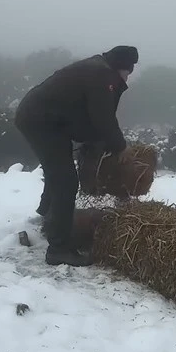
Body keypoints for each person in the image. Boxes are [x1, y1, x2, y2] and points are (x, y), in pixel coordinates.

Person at [15, 46, 138, 267]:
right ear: (122, 67)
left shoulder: (97, 68)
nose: (128, 76)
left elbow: (87, 114)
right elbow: (103, 117)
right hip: (41, 123)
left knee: (59, 171)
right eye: (129, 71)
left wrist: (97, 142)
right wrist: (120, 147)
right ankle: (58, 249)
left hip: (47, 120)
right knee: (65, 180)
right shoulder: (102, 75)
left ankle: (47, 214)